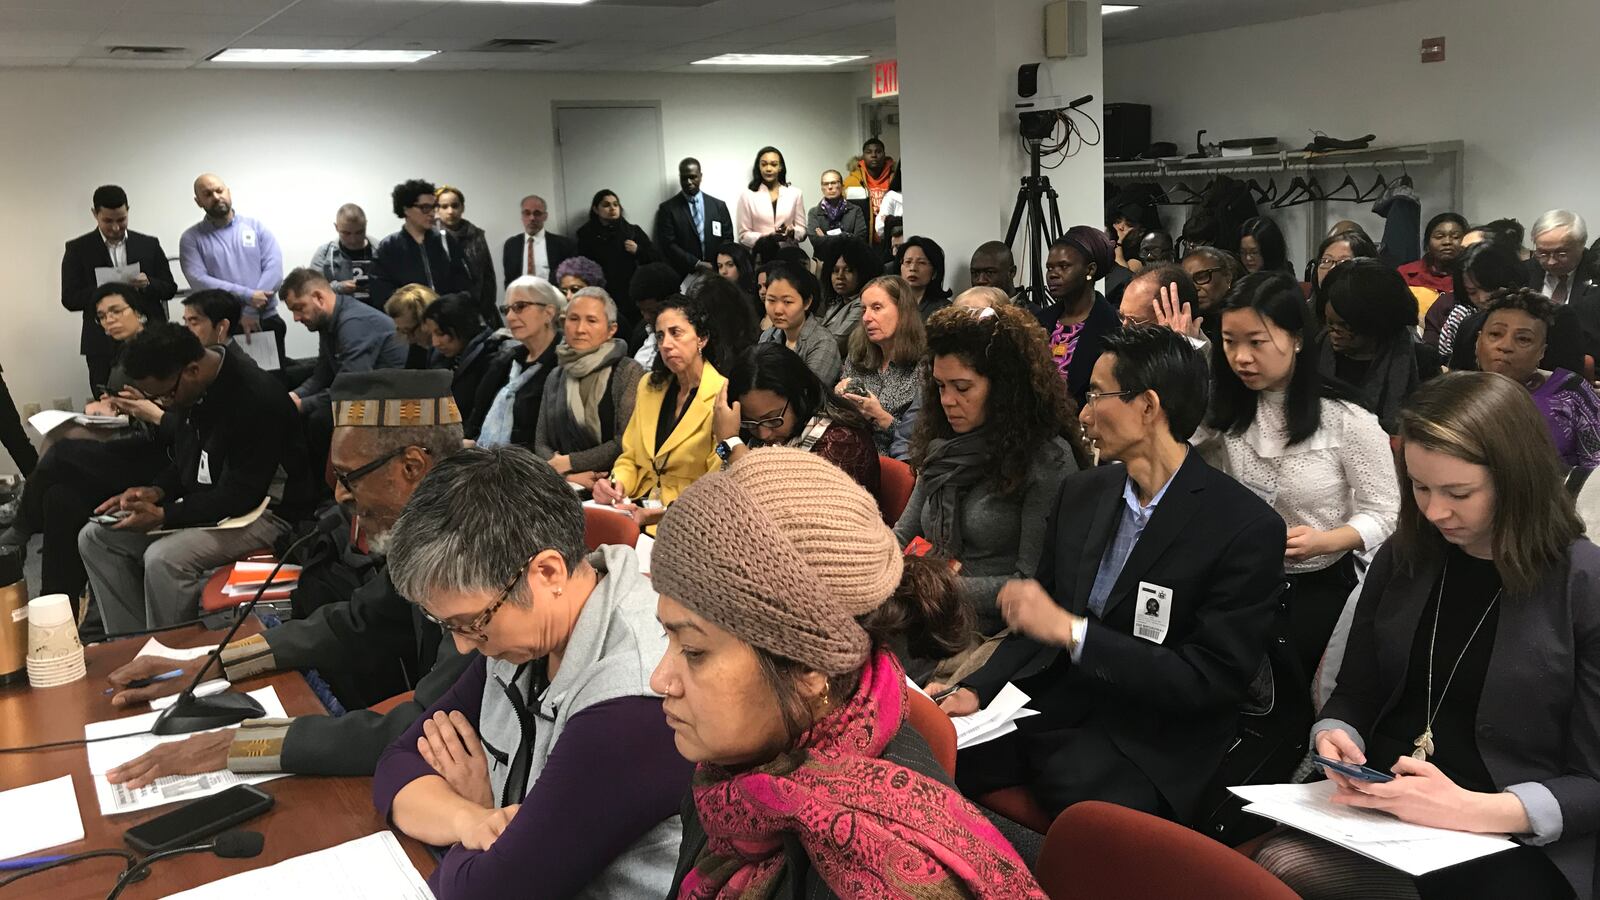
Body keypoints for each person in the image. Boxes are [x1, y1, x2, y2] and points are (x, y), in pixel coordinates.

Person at [1253, 371, 1598, 900]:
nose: (1435, 511)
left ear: (1517, 479)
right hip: (1385, 803)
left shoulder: (1582, 585)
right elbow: (1358, 691)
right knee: (1271, 863)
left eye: (1459, 492)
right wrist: (1338, 734)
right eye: (1419, 486)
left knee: (1286, 868)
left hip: (1510, 829)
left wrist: (1472, 809)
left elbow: (1592, 781)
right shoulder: (1407, 557)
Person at [650, 448, 1046, 898]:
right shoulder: (737, 772)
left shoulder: (871, 870)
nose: (660, 679)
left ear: (807, 667)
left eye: (695, 651)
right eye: (668, 638)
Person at [935, 327, 1285, 824]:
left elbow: (1207, 681)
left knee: (1078, 794)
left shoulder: (1242, 527)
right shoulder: (1084, 493)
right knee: (936, 750)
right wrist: (979, 687)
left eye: (1097, 395)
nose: (1083, 411)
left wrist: (1075, 633)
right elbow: (1041, 614)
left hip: (1155, 733)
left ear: (1148, 406)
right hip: (1063, 702)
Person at [102, 370, 474, 783]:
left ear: (412, 466)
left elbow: (431, 724)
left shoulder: (482, 549)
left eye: (349, 478)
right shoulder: (439, 522)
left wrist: (243, 745)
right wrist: (214, 664)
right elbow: (355, 622)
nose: (340, 496)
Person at [374, 445, 691, 900]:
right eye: (448, 626)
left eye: (472, 622)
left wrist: (484, 813)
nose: (463, 645)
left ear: (546, 572)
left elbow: (487, 893)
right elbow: (398, 763)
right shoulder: (525, 639)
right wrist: (475, 820)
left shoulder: (634, 700)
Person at [1195, 272, 1400, 675]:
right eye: (1229, 341)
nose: (1241, 357)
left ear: (1297, 339)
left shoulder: (1345, 419)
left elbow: (1387, 512)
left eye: (1257, 342)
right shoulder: (1222, 413)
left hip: (1318, 585)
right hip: (1239, 580)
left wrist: (1326, 541)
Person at [79, 324, 313, 632]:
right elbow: (188, 462)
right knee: (96, 538)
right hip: (216, 505)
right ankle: (132, 643)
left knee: (165, 559)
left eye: (165, 395)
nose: (164, 405)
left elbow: (242, 495)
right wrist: (156, 491)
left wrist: (166, 515)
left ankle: (167, 658)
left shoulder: (256, 397)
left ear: (191, 370)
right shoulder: (193, 391)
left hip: (269, 513)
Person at [895, 304, 1085, 636]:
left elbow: (1029, 585)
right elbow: (903, 536)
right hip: (926, 606)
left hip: (989, 630)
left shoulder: (1047, 460)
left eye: (962, 387)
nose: (947, 400)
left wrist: (928, 584)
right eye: (940, 387)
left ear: (1003, 388)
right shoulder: (943, 445)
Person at [0, 285, 171, 610]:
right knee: (59, 498)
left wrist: (142, 410)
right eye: (102, 317)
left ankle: (21, 529)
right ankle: (55, 607)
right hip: (135, 439)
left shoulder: (161, 347)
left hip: (160, 455)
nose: (109, 321)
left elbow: (176, 415)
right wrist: (112, 407)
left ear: (139, 311)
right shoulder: (123, 351)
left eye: (116, 311)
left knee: (62, 451)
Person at [591, 291, 726, 532]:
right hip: (634, 506)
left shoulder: (721, 394)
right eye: (660, 336)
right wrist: (616, 483)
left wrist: (659, 514)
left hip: (686, 522)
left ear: (701, 339)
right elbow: (630, 457)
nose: (665, 344)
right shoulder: (649, 386)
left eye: (676, 333)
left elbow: (714, 484)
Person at [714, 342, 877, 492]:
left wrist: (731, 442)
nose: (763, 434)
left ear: (802, 395)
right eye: (751, 423)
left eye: (772, 419)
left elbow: (785, 506)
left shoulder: (843, 441)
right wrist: (727, 445)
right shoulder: (762, 435)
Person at [62, 184, 177, 395]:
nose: (116, 227)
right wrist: (102, 290)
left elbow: (169, 288)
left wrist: (148, 283)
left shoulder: (148, 244)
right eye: (108, 221)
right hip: (101, 342)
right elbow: (69, 298)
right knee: (107, 401)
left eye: (121, 219)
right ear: (95, 214)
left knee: (159, 397)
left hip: (149, 337)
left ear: (128, 211)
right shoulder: (77, 249)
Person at [1475, 289, 1600, 469]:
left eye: (1523, 339)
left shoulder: (1570, 391)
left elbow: (1596, 470)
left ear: (1541, 351)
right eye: (1495, 334)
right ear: (1479, 341)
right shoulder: (1458, 394)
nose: (1505, 346)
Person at [535, 287, 645, 490]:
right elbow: (541, 441)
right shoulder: (555, 375)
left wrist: (570, 462)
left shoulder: (628, 372)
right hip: (559, 485)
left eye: (591, 321)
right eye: (573, 319)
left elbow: (625, 441)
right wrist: (568, 476)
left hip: (613, 485)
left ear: (611, 329)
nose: (580, 329)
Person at [178, 174, 286, 359]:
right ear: (198, 201)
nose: (216, 197)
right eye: (208, 194)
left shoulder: (255, 226)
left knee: (274, 382)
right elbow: (199, 281)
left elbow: (274, 269)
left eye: (219, 190)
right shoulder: (191, 238)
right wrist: (247, 296)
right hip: (223, 326)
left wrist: (251, 310)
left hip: (264, 319)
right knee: (235, 383)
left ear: (228, 191)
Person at [282, 268, 408, 422]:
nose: (296, 318)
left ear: (318, 297)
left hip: (391, 401)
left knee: (318, 418)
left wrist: (302, 405)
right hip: (367, 392)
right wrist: (290, 398)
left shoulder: (353, 323)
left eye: (299, 308)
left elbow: (352, 388)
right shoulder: (327, 321)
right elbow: (322, 375)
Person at [1318, 258, 1428, 432]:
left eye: (1345, 325)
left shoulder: (1420, 361)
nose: (1334, 332)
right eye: (1330, 323)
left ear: (1374, 323)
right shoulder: (1314, 352)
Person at [837, 275, 928, 460]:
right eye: (863, 309)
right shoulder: (857, 357)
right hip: (850, 457)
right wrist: (837, 399)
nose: (866, 318)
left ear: (902, 311)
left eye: (876, 308)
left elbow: (920, 441)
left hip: (896, 466)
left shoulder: (924, 366)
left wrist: (879, 416)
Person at [466, 276, 562, 449]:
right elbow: (475, 419)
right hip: (486, 460)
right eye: (506, 309)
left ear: (548, 312)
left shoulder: (564, 364)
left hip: (534, 467)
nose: (510, 317)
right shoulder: (506, 360)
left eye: (520, 307)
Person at [1030, 225, 1120, 403]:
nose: (1053, 275)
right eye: (1049, 268)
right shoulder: (1040, 320)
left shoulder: (1110, 326)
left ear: (1090, 270)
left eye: (1063, 266)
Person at [369, 178, 472, 310]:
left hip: (445, 321)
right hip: (410, 324)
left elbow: (463, 284)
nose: (432, 213)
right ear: (406, 209)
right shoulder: (389, 247)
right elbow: (382, 294)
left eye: (434, 207)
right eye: (425, 208)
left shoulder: (445, 240)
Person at [1423, 241, 1526, 362]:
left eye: (1490, 289)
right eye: (1472, 292)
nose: (1482, 298)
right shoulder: (1463, 320)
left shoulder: (1536, 314)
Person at [577, 189, 658, 328]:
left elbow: (655, 258)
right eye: (606, 205)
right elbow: (581, 267)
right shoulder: (585, 235)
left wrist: (638, 250)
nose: (612, 208)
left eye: (615, 204)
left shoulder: (632, 231)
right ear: (596, 209)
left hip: (630, 294)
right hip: (601, 293)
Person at [424, 292, 506, 423]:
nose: (435, 343)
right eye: (432, 334)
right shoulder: (438, 358)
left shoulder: (491, 358)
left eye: (441, 334)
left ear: (462, 327)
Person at [757, 262, 842, 384]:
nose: (777, 310)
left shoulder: (823, 343)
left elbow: (810, 394)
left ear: (807, 302)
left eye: (787, 302)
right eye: (771, 300)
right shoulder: (768, 336)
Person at [654, 158, 734, 278]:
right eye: (684, 178)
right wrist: (696, 263)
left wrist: (717, 264)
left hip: (716, 272)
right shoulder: (668, 209)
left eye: (693, 177)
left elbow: (728, 238)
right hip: (684, 274)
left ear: (700, 176)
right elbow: (668, 245)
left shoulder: (718, 206)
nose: (689, 182)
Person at [434, 185, 499, 327]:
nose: (450, 211)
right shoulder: (431, 239)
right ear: (437, 210)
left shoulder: (476, 235)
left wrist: (486, 307)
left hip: (479, 308)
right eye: (444, 206)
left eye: (454, 206)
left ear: (462, 207)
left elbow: (488, 275)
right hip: (445, 311)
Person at [736, 146, 806, 248]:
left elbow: (803, 230)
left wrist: (793, 232)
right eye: (764, 164)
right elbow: (743, 235)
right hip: (761, 256)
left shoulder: (795, 194)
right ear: (759, 167)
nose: (768, 169)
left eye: (774, 164)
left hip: (789, 254)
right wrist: (769, 238)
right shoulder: (747, 196)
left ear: (780, 167)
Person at [309, 203, 376, 308]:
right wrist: (339, 287)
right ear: (336, 227)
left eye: (359, 232)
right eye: (346, 233)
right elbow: (313, 290)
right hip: (340, 318)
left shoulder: (381, 250)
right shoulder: (324, 254)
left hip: (378, 315)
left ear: (366, 225)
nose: (353, 240)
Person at [502, 194, 576, 285]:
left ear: (545, 216)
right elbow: (509, 280)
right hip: (521, 297)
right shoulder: (511, 245)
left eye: (537, 213)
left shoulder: (564, 245)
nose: (532, 218)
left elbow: (570, 279)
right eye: (527, 213)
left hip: (552, 297)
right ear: (522, 216)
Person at [816, 237, 875, 350]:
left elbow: (837, 342)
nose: (840, 276)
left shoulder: (863, 304)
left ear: (862, 273)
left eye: (848, 270)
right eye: (835, 270)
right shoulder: (838, 301)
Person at [1308, 230, 1379, 325]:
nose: (1332, 269)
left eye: (1343, 262)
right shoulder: (1303, 312)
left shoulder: (1377, 315)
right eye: (1326, 261)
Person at [844, 137, 899, 245]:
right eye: (869, 152)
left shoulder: (896, 178)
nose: (874, 155)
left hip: (892, 240)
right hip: (862, 241)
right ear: (863, 156)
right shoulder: (851, 181)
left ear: (884, 154)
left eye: (878, 151)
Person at [1397, 212, 1467, 294]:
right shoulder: (1406, 274)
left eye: (1455, 237)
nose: (1447, 242)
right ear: (1427, 243)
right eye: (1439, 236)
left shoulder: (1474, 275)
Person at [1119, 264, 1199, 332]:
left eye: (1134, 322)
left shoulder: (1204, 349)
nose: (1123, 329)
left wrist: (1178, 342)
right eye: (1122, 317)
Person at [807, 168, 868, 250]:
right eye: (825, 184)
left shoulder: (855, 210)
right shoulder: (814, 213)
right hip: (824, 260)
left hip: (851, 259)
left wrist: (825, 238)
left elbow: (860, 240)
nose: (830, 187)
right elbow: (816, 241)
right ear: (822, 188)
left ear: (842, 186)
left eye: (834, 183)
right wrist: (847, 236)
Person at [893, 235, 952, 319]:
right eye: (908, 262)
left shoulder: (943, 310)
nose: (913, 268)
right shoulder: (890, 303)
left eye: (921, 263)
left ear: (934, 272)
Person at [1181, 246, 1241, 326]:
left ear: (1227, 277)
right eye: (1187, 281)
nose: (1194, 288)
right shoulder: (1185, 321)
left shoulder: (1247, 315)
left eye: (1202, 277)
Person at [385, 282, 440, 370]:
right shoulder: (418, 348)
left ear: (428, 321)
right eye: (403, 332)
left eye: (410, 331)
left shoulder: (450, 352)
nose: (410, 340)